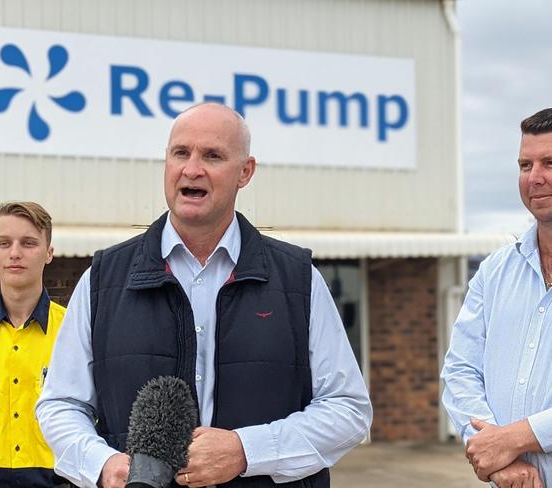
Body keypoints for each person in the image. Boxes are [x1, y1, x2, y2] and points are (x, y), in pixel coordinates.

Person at [36, 102, 372, 488]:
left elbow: (347, 409)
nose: (191, 169)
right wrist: (103, 464)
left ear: (245, 172)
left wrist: (246, 451)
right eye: (181, 153)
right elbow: (61, 404)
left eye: (212, 156)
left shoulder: (298, 280)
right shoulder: (103, 278)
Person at [441, 107, 552, 488]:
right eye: (525, 165)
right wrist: (496, 460)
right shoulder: (495, 270)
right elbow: (460, 372)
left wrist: (511, 440)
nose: (535, 178)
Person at [0, 201, 67, 487]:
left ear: (49, 253)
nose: (15, 253)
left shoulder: (74, 332)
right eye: (4, 243)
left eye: (28, 243)